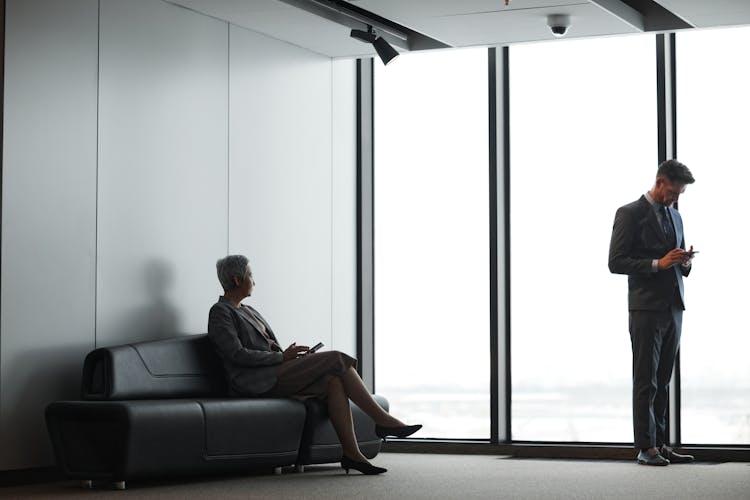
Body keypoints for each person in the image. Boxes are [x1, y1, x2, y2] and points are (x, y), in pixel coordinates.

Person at [207, 255, 421, 475]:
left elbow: (267, 349)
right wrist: (282, 358)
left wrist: (289, 356)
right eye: (251, 275)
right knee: (337, 358)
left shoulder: (250, 311)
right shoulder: (220, 312)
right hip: (252, 381)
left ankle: (352, 454)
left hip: (275, 372)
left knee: (334, 381)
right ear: (237, 279)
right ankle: (382, 420)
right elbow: (236, 354)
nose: (255, 281)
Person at [608, 159, 696, 466]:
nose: (676, 199)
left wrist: (684, 262)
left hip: (673, 307)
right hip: (645, 307)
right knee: (646, 379)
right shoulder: (629, 213)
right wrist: (658, 263)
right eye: (673, 192)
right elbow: (616, 262)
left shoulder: (676, 216)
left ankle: (660, 443)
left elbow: (678, 263)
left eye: (680, 194)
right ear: (659, 182)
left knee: (664, 379)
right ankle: (645, 448)